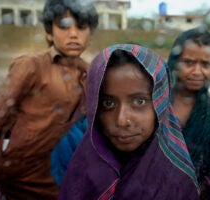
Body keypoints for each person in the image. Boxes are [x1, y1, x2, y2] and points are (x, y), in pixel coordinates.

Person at [58, 44, 200, 200]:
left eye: (139, 101)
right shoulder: (81, 163)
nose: (122, 120)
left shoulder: (175, 180)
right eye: (108, 103)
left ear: (160, 102)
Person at [0, 0, 98, 198]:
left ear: (90, 32)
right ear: (49, 32)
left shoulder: (91, 74)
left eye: (81, 27)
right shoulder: (30, 67)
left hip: (58, 173)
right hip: (18, 174)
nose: (73, 33)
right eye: (63, 26)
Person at [167, 27, 210, 199]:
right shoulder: (154, 99)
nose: (197, 72)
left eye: (205, 64)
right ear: (175, 62)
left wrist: (194, 190)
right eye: (189, 62)